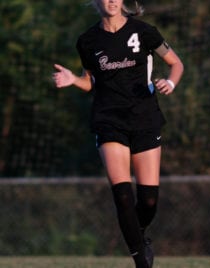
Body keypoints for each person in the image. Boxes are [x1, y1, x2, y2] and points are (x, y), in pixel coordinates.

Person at [52, 0, 184, 267]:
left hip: (145, 119)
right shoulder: (87, 40)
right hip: (108, 120)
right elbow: (90, 82)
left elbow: (176, 63)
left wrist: (170, 82)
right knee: (123, 195)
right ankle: (141, 262)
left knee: (148, 200)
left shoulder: (144, 31)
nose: (111, 1)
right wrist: (73, 80)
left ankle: (138, 235)